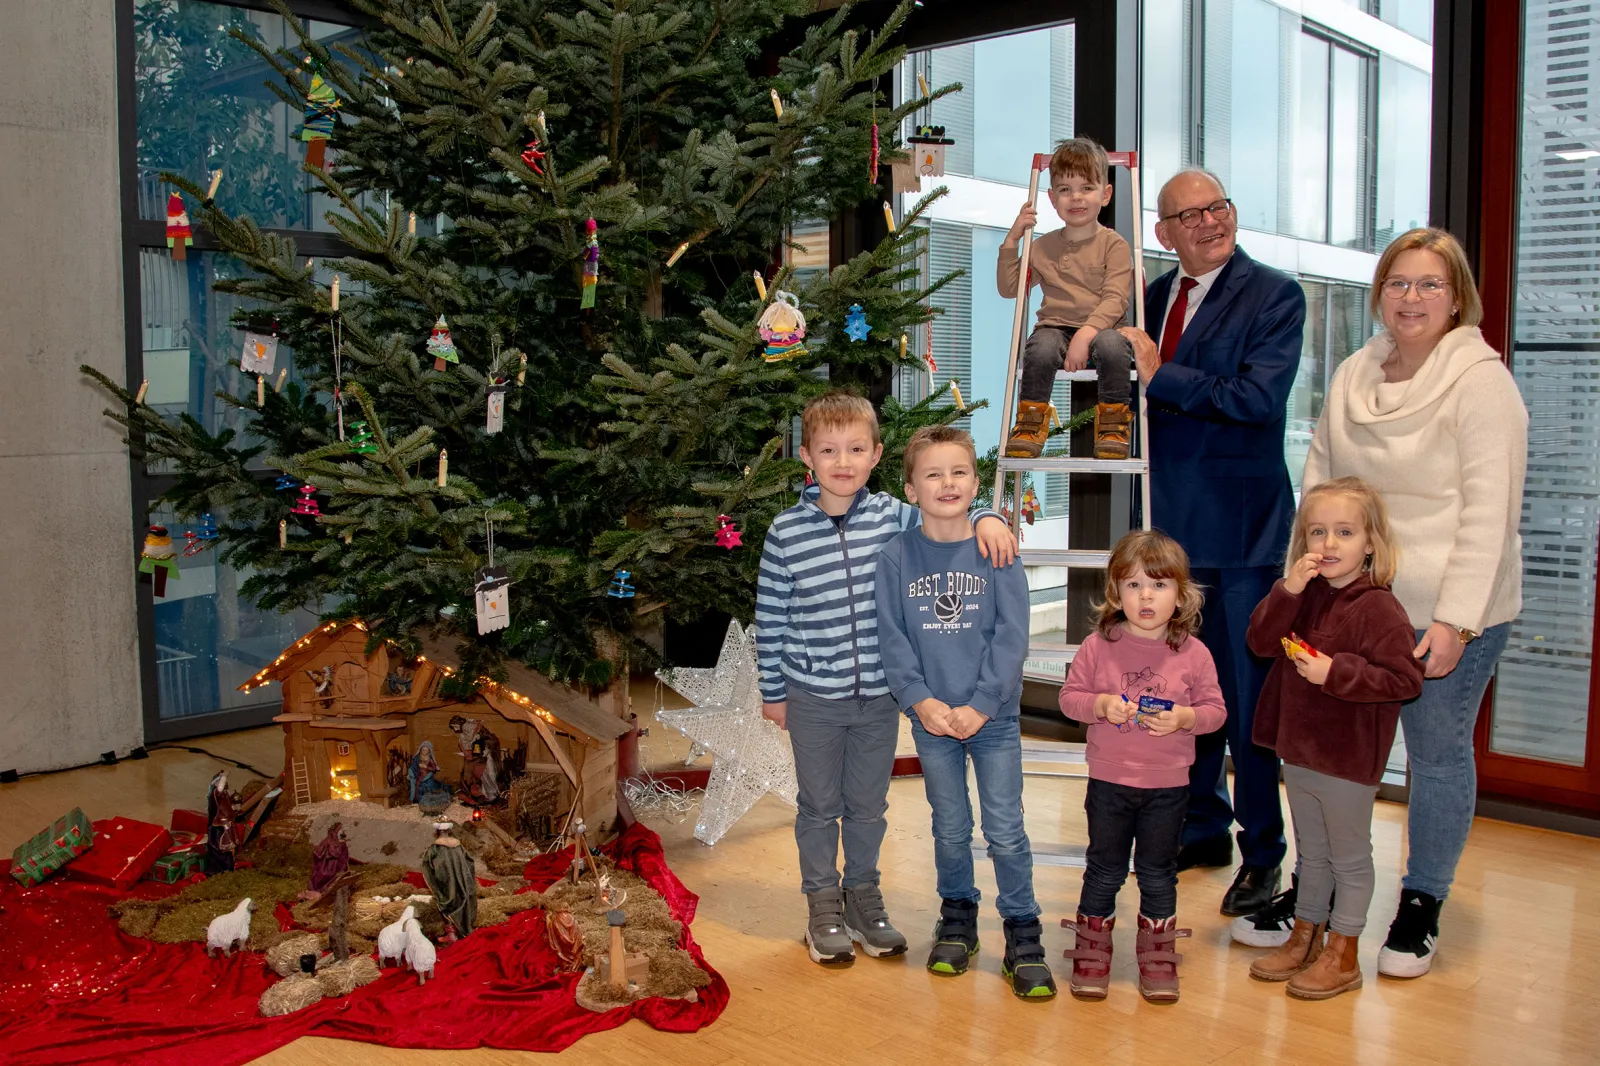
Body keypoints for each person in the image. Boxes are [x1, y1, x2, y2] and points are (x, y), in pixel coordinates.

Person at [1304, 227, 1527, 979]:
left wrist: (1457, 620)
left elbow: (1489, 512)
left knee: (1434, 754)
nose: (1412, 298)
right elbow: (1320, 482)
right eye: (1399, 283)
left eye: (1430, 284)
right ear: (1379, 294)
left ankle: (1422, 902)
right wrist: (1305, 577)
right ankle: (1322, 892)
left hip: (1447, 609)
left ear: (1457, 296)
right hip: (1357, 604)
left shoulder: (1482, 382)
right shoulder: (1352, 375)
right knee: (1337, 754)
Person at [755, 392, 1019, 965]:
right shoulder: (785, 532)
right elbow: (770, 615)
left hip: (880, 696)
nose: (842, 462)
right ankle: (822, 904)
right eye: (828, 451)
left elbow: (944, 507)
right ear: (807, 457)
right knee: (820, 806)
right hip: (812, 697)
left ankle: (864, 898)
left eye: (855, 449)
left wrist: (988, 516)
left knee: (869, 807)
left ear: (876, 455)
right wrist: (773, 691)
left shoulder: (892, 517)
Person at [1117, 169, 1305, 918]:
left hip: (1240, 535)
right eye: (1189, 215)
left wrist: (1164, 375)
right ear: (1164, 233)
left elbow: (1259, 401)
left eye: (1218, 207)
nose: (1208, 222)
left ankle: (1265, 855)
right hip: (1164, 537)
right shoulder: (1149, 298)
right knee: (1173, 690)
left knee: (1244, 700)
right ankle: (1202, 826)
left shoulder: (1275, 294)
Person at [875, 425, 1056, 999]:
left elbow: (1012, 637)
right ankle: (957, 917)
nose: (946, 482)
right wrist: (922, 703)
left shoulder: (995, 549)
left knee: (1005, 829)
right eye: (932, 473)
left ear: (976, 483)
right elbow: (893, 639)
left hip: (992, 719)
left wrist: (980, 706)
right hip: (931, 720)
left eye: (958, 471)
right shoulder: (895, 557)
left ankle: (1023, 931)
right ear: (910, 490)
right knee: (950, 827)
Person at [1242, 478, 1425, 999]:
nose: (1328, 544)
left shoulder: (1380, 608)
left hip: (1347, 757)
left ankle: (1343, 951)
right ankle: (1305, 934)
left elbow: (1404, 681)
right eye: (1317, 531)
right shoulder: (1303, 595)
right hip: (1299, 750)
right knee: (1312, 854)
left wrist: (1336, 671)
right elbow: (1259, 640)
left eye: (1344, 532)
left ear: (1370, 542)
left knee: (1348, 857)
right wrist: (1289, 589)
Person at [1058, 530, 1226, 1002]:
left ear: (1181, 594)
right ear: (1115, 593)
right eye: (1132, 585)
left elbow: (1216, 712)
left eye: (1159, 585)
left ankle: (1156, 953)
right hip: (1109, 783)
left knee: (1157, 872)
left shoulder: (1195, 653)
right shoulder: (1098, 646)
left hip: (1167, 788)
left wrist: (1185, 718)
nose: (1146, 596)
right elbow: (1069, 699)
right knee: (1104, 869)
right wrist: (1102, 705)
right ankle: (1093, 950)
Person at [998, 137, 1136, 460]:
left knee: (1113, 345)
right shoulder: (1043, 246)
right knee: (1041, 347)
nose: (1076, 197)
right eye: (1065, 189)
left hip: (1104, 326)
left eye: (1087, 188)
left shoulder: (1114, 245)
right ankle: (1030, 424)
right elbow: (1010, 289)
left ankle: (1113, 425)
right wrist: (1011, 240)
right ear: (1052, 198)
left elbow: (1116, 299)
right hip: (1056, 327)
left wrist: (1086, 335)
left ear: (1106, 195)